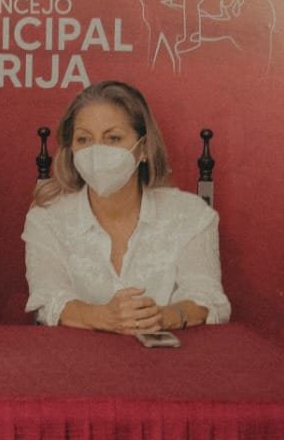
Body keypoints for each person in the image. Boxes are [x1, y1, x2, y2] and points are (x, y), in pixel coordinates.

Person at [23, 80, 230, 334]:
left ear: (143, 148)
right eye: (84, 139)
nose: (96, 151)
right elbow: (48, 300)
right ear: (71, 148)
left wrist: (163, 317)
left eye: (113, 138)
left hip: (167, 356)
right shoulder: (45, 219)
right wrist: (105, 317)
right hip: (76, 356)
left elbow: (207, 298)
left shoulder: (191, 214)